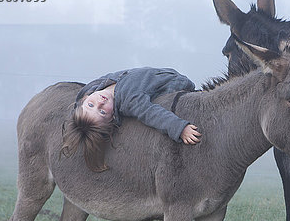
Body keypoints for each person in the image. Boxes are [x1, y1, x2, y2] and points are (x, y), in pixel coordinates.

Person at [61, 67, 201, 172]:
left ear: (84, 100)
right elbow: (152, 114)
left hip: (162, 72)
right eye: (102, 112)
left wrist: (77, 124)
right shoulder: (130, 101)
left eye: (90, 105)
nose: (100, 102)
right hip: (175, 84)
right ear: (113, 117)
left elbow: (78, 108)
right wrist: (180, 128)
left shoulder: (92, 89)